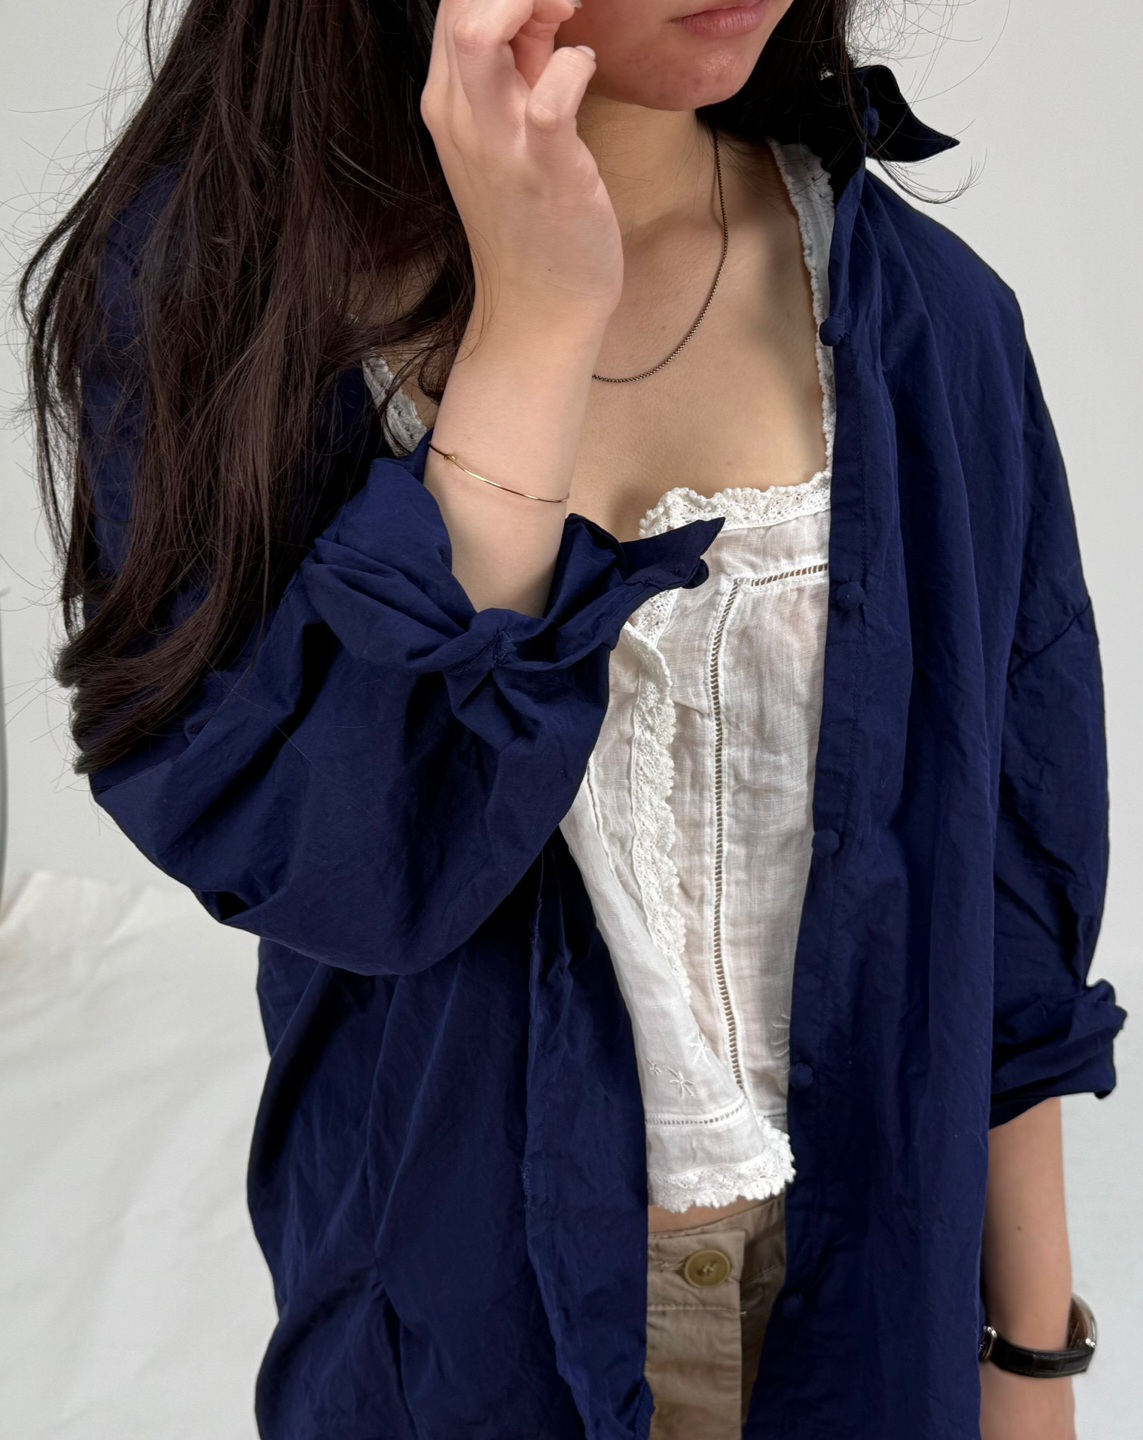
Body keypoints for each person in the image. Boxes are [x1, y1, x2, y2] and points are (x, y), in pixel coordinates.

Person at [20, 1, 1126, 1437]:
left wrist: (1030, 1357)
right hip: (454, 1338)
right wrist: (534, 326)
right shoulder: (232, 312)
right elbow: (352, 861)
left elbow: (1004, 899)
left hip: (864, 1318)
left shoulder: (926, 325)